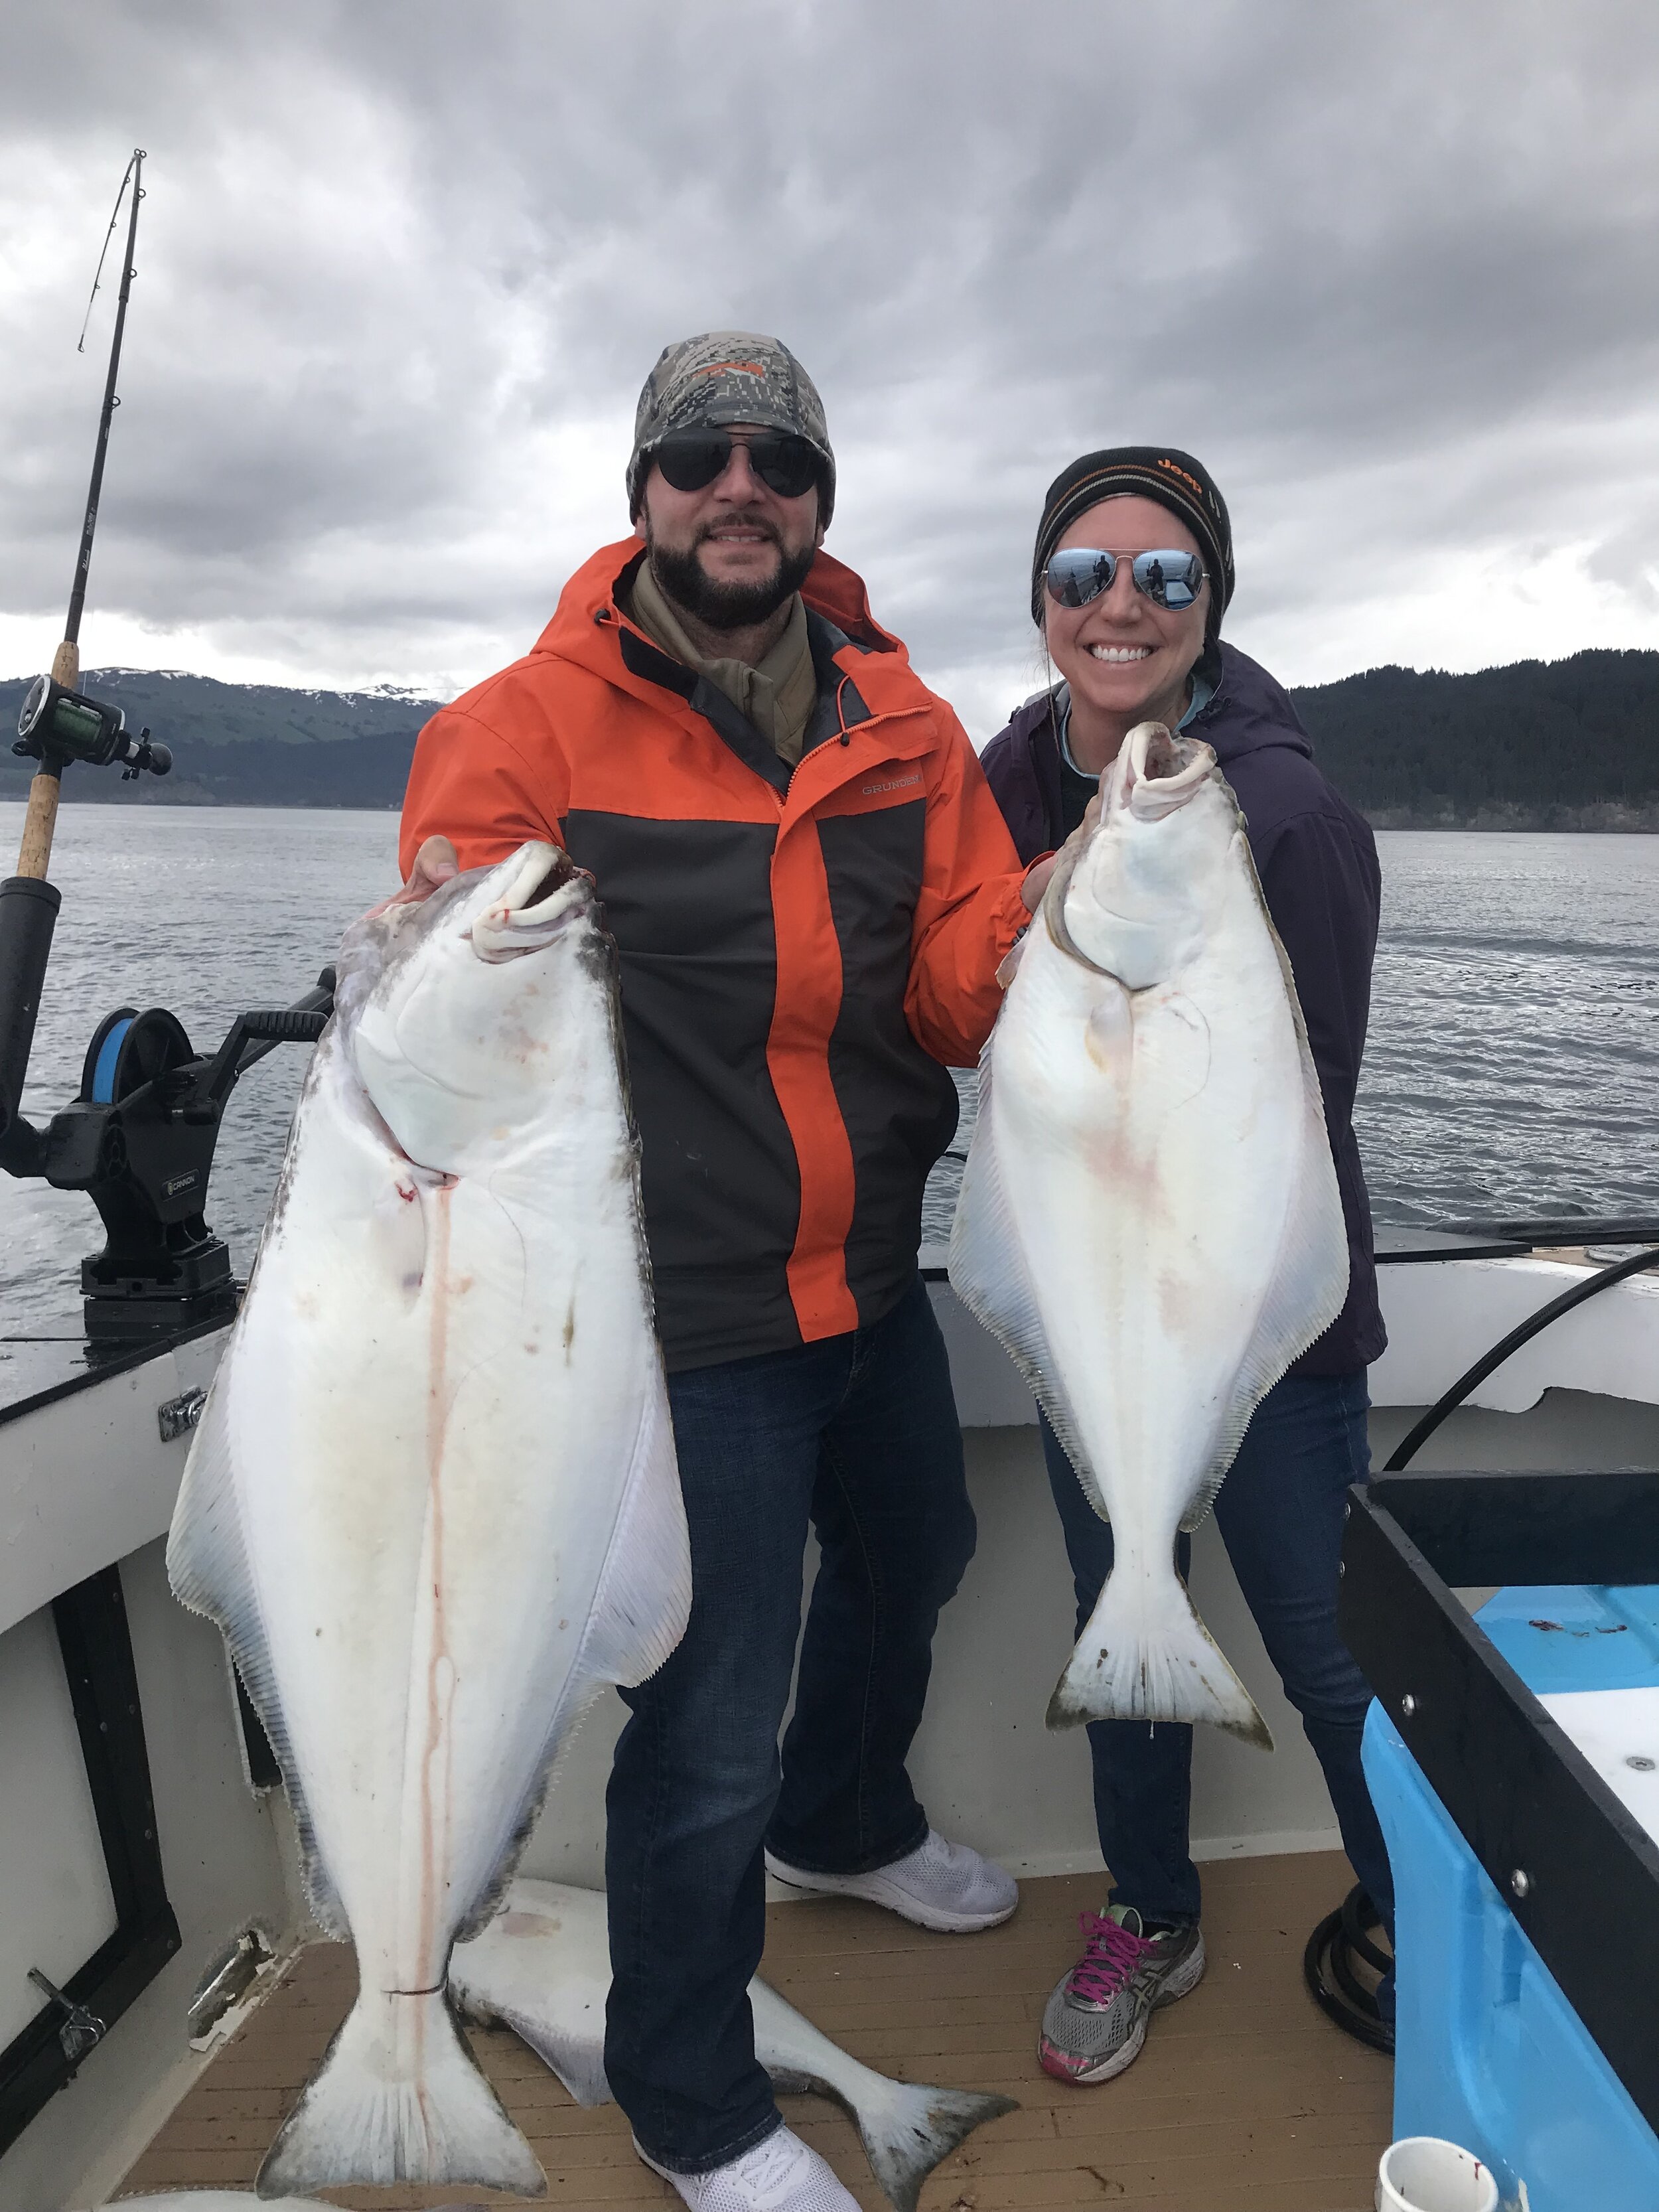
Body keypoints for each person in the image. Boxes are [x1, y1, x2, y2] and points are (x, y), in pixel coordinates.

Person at [394, 333, 1041, 2211]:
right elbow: (461, 1037)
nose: (737, 483)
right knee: (697, 1731)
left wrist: (1061, 925)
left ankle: (846, 1820)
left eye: (777, 456)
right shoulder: (518, 727)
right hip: (675, 1337)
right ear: (644, 492)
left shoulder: (909, 726)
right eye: (698, 454)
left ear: (818, 499)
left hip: (871, 1281)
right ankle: (696, 2100)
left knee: (921, 1555)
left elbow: (946, 983)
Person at [977, 446, 1392, 2087]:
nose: (1119, 606)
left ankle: (1426, 1908)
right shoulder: (1002, 779)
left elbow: (1314, 1086)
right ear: (1040, 601)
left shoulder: (1284, 808)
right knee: (1116, 1602)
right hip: (1087, 1298)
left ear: (1210, 600)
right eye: (1083, 571)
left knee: (1330, 1638)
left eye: (1163, 575)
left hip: (1257, 1328)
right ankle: (1147, 1910)